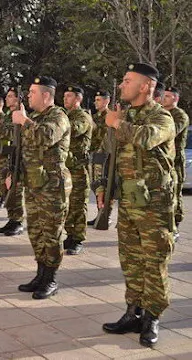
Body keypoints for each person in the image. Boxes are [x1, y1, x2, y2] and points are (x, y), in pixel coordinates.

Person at [101, 63, 176, 348]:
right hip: (129, 202)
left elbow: (146, 139)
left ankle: (152, 318)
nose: (122, 85)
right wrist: (102, 188)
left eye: (127, 80)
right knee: (130, 262)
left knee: (154, 264)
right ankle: (133, 313)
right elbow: (108, 154)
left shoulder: (162, 117)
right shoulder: (125, 115)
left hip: (154, 207)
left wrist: (117, 123)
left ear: (146, 86)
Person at [12, 76, 71, 300]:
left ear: (46, 95)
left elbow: (45, 137)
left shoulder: (58, 116)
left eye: (32, 92)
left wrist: (24, 121)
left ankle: (51, 278)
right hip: (34, 184)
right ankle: (40, 274)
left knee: (51, 233)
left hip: (52, 186)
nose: (28, 96)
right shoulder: (35, 116)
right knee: (36, 232)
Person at [63, 86, 93, 255]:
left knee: (78, 205)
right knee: (67, 205)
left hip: (78, 169)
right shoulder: (65, 115)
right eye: (65, 96)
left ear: (78, 99)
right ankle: (70, 235)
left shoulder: (83, 117)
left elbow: (72, 130)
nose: (65, 99)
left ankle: (78, 238)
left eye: (69, 96)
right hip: (66, 168)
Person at [0, 87, 25, 236]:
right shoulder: (8, 115)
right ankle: (11, 218)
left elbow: (11, 133)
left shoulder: (19, 115)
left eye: (11, 96)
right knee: (6, 188)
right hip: (5, 157)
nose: (7, 98)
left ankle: (18, 221)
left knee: (15, 189)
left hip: (16, 157)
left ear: (18, 99)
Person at [161, 86, 189, 241]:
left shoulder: (180, 116)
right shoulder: (161, 112)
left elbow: (170, 132)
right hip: (164, 160)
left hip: (175, 161)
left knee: (175, 194)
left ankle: (175, 226)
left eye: (168, 96)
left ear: (175, 99)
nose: (164, 98)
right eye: (163, 95)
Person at [88, 90, 111, 226]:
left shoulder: (110, 117)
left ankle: (105, 215)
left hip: (105, 155)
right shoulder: (95, 117)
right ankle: (99, 213)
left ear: (106, 101)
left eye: (99, 100)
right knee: (96, 185)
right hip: (94, 155)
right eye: (95, 100)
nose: (96, 102)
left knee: (105, 185)